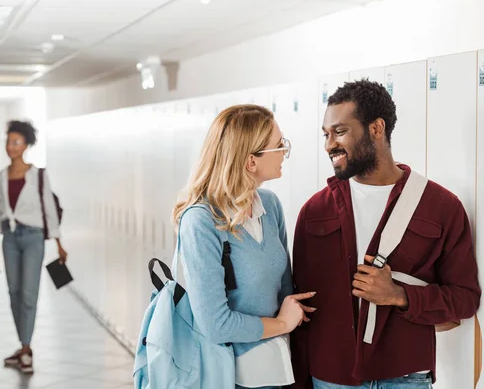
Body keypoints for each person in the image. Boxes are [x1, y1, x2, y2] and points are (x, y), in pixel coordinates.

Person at [290, 79, 481, 388]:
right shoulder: (314, 212)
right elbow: (301, 309)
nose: (329, 145)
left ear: (376, 129)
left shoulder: (441, 207)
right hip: (331, 378)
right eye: (326, 134)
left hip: (406, 376)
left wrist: (399, 295)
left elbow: (465, 299)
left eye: (340, 132)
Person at [172, 104, 315, 389]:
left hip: (276, 368)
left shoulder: (270, 206)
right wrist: (282, 325)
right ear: (251, 161)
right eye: (278, 145)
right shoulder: (201, 221)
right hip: (230, 375)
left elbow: (285, 293)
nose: (284, 152)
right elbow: (216, 324)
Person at [0, 120, 67, 374]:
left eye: (16, 142)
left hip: (33, 238)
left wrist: (58, 243)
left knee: (29, 293)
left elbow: (49, 210)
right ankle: (23, 345)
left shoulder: (39, 175)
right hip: (10, 238)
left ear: (26, 145)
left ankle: (25, 349)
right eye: (8, 142)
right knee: (13, 291)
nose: (11, 147)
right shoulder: (0, 178)